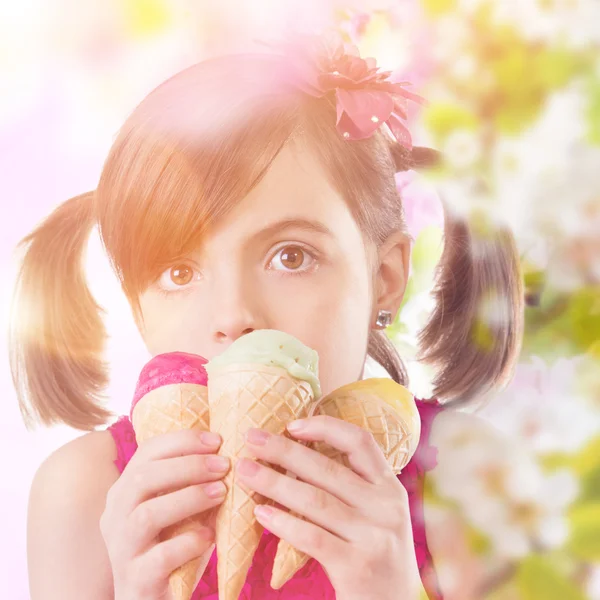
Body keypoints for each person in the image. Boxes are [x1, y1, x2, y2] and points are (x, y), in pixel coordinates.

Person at [9, 33, 523, 600]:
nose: (234, 316)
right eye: (179, 273)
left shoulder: (464, 478)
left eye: (291, 257)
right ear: (138, 309)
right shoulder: (86, 496)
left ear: (384, 278)